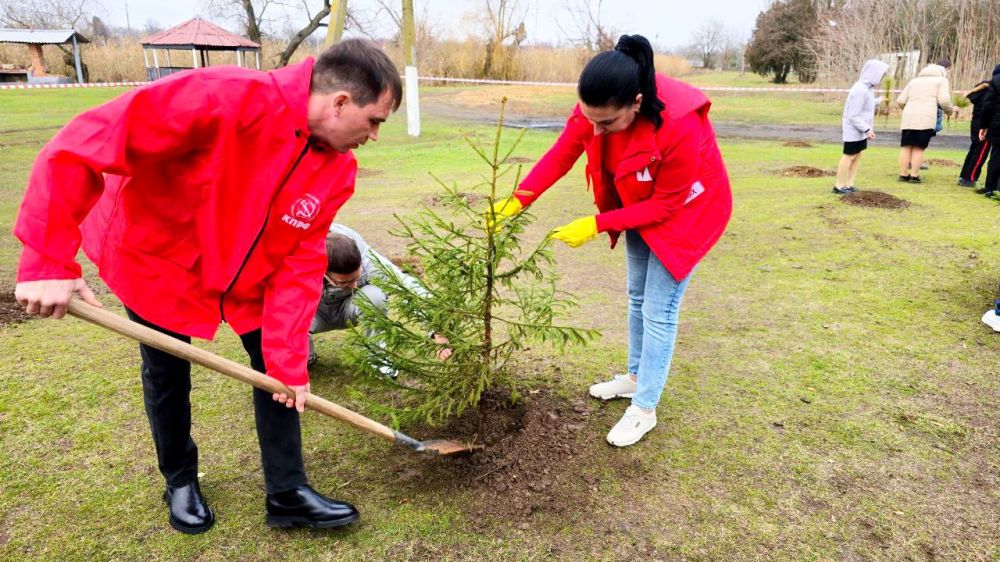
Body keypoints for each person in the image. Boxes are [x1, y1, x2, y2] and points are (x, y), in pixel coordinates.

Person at [12, 39, 402, 533]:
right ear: (340, 102)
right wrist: (47, 259)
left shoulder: (337, 170)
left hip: (248, 273)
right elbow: (79, 148)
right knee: (167, 369)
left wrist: (288, 360)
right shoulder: (219, 97)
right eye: (374, 121)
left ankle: (287, 493)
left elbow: (300, 260)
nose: (374, 135)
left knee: (278, 368)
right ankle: (180, 480)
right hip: (158, 258)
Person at [490, 34, 731, 447]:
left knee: (659, 309)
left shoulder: (680, 124)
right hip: (636, 199)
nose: (596, 132)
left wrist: (596, 224)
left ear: (636, 103)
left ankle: (644, 408)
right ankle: (635, 377)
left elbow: (667, 205)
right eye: (590, 120)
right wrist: (516, 202)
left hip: (687, 212)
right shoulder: (597, 107)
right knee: (636, 296)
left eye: (605, 124)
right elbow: (561, 154)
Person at [309, 223, 452, 375]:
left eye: (357, 277)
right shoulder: (299, 266)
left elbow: (406, 286)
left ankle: (377, 358)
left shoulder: (367, 260)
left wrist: (438, 331)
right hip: (312, 315)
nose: (354, 285)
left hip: (350, 308)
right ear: (324, 273)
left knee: (375, 295)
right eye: (344, 282)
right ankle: (307, 358)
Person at [833, 59, 889, 194]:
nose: (882, 77)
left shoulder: (867, 88)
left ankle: (849, 184)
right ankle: (839, 186)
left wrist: (878, 101)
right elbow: (853, 115)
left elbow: (865, 105)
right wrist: (867, 129)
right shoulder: (859, 90)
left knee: (857, 156)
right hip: (854, 130)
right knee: (849, 156)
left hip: (861, 131)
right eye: (881, 74)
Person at [896, 60, 955, 183]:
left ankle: (903, 174)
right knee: (919, 148)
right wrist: (950, 111)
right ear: (944, 71)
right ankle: (914, 176)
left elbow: (901, 100)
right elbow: (944, 100)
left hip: (908, 117)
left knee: (906, 146)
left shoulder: (914, 81)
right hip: (926, 118)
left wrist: (908, 110)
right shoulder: (942, 81)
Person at [958, 77, 992, 188]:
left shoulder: (979, 90)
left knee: (974, 149)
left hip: (975, 122)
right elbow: (989, 108)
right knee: (981, 152)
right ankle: (970, 178)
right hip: (984, 125)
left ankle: (964, 175)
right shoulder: (991, 90)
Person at [975, 64, 1000, 198]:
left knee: (996, 156)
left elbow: (988, 106)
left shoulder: (996, 80)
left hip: (997, 125)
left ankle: (990, 187)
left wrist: (984, 126)